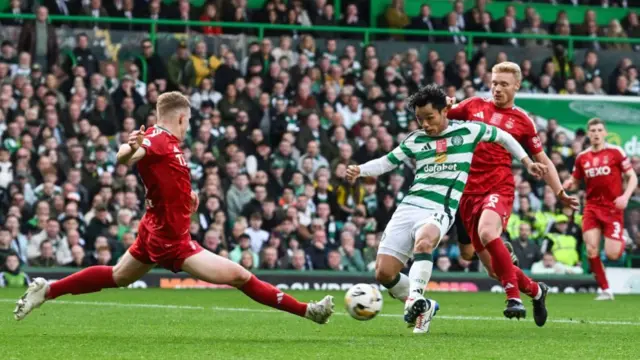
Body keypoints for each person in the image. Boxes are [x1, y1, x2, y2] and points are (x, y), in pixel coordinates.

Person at [14, 92, 334, 324]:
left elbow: (161, 176)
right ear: (181, 117)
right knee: (240, 276)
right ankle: (309, 311)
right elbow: (127, 156)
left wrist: (187, 199)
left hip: (154, 226)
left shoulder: (168, 143)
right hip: (170, 240)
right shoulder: (156, 139)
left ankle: (48, 289)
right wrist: (129, 148)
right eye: (188, 121)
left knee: (119, 276)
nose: (188, 126)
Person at [345, 85, 547, 334]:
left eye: (430, 118)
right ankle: (425, 305)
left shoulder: (468, 131)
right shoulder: (416, 140)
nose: (425, 124)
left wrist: (527, 161)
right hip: (409, 207)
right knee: (384, 273)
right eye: (420, 119)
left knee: (424, 243)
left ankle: (415, 299)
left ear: (444, 112)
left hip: (440, 208)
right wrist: (360, 169)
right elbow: (387, 162)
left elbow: (504, 137)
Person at [446, 61, 579, 325]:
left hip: (499, 187)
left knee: (487, 232)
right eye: (494, 83)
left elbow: (543, 159)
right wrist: (445, 105)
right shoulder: (473, 105)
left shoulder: (522, 121)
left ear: (517, 86)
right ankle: (537, 291)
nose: (497, 89)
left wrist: (560, 191)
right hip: (467, 192)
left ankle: (513, 297)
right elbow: (441, 117)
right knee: (495, 270)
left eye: (503, 84)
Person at [563, 118, 638, 301]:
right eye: (593, 131)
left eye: (599, 130)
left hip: (612, 208)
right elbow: (575, 180)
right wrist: (568, 184)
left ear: (605, 133)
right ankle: (605, 289)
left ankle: (623, 238)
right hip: (591, 208)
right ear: (589, 134)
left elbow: (632, 177)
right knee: (591, 250)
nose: (596, 133)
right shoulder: (582, 157)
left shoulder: (615, 152)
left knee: (613, 254)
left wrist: (625, 197)